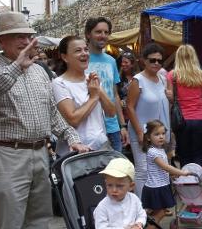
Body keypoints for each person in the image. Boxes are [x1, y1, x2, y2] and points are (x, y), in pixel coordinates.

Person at [0, 11, 90, 229]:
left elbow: (53, 113)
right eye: (19, 37)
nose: (27, 41)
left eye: (29, 36)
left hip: (40, 152)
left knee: (39, 221)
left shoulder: (40, 72)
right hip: (8, 155)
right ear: (2, 41)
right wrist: (16, 67)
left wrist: (71, 136)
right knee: (11, 227)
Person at [52, 35, 116, 155]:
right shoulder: (59, 84)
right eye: (78, 50)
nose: (84, 53)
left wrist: (99, 90)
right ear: (65, 57)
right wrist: (93, 97)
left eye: (86, 49)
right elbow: (73, 119)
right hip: (75, 152)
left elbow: (111, 112)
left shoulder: (91, 80)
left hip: (101, 147)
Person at [126, 43, 170, 197]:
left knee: (158, 168)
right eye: (152, 60)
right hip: (141, 131)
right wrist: (139, 132)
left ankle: (155, 204)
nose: (156, 63)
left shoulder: (163, 79)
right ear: (144, 61)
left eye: (159, 60)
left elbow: (163, 106)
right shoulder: (137, 80)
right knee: (143, 169)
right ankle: (141, 206)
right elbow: (130, 107)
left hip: (158, 133)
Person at [85, 17, 129, 152]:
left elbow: (114, 94)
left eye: (106, 32)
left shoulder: (111, 61)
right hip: (90, 128)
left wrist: (122, 125)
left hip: (112, 127)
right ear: (88, 34)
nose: (103, 35)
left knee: (116, 170)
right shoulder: (81, 58)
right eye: (98, 32)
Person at [166, 45, 202, 168]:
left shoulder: (172, 75)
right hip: (200, 119)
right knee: (198, 154)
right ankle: (198, 182)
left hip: (182, 120)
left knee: (184, 155)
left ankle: (186, 183)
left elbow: (171, 100)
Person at [141, 120, 189, 225]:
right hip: (156, 187)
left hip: (161, 185)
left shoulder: (160, 150)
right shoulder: (153, 152)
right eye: (157, 134)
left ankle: (150, 228)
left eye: (163, 133)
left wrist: (172, 175)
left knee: (159, 211)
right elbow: (166, 167)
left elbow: (161, 169)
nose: (161, 136)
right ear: (148, 137)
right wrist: (181, 172)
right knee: (161, 211)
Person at [117, 51, 138, 127]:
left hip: (136, 112)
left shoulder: (138, 78)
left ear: (132, 64)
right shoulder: (118, 78)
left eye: (126, 62)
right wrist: (120, 101)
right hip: (122, 114)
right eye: (122, 62)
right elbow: (115, 94)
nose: (123, 64)